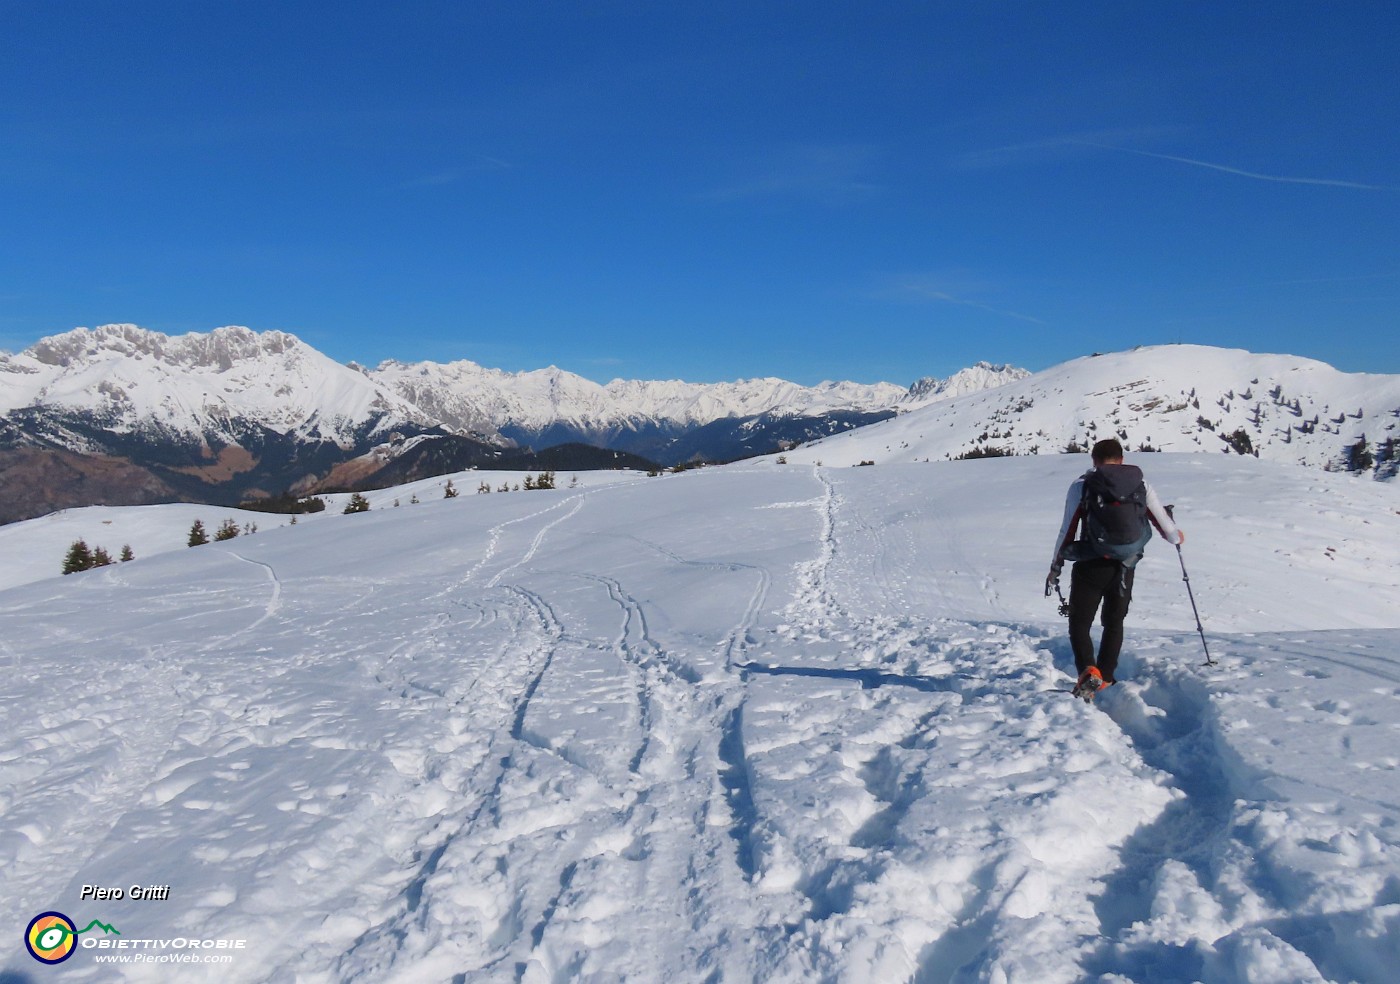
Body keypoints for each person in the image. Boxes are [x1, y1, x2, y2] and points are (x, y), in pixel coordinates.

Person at [1047, 438, 1184, 699]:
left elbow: (1068, 528)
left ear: (1094, 461)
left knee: (1079, 623)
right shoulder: (1141, 485)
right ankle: (1106, 676)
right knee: (1114, 622)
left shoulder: (1082, 485)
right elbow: (1168, 530)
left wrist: (1055, 566)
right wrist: (1177, 536)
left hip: (1090, 564)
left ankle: (1088, 671)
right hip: (1125, 566)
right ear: (1121, 459)